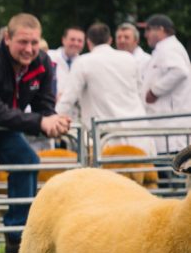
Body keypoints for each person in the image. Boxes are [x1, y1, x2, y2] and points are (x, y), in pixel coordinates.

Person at [0, 13, 70, 253]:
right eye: (23, 42)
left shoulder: (43, 64)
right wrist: (41, 121)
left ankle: (17, 235)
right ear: (7, 38)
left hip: (1, 130)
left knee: (27, 161)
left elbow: (45, 106)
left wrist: (54, 121)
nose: (29, 49)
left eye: (34, 43)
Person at [56, 22, 154, 155]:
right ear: (110, 40)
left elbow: (68, 99)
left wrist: (52, 121)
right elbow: (139, 92)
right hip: (137, 129)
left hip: (106, 137)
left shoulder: (83, 62)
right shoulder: (129, 58)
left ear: (88, 42)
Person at [141, 14, 191, 155]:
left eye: (148, 30)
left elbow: (180, 71)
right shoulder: (166, 48)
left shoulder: (169, 48)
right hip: (167, 127)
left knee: (170, 172)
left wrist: (155, 91)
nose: (146, 35)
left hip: (171, 129)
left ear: (161, 30)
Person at [47, 26, 85, 97]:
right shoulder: (49, 57)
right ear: (63, 40)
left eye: (80, 41)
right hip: (49, 105)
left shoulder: (85, 64)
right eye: (72, 40)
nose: (76, 43)